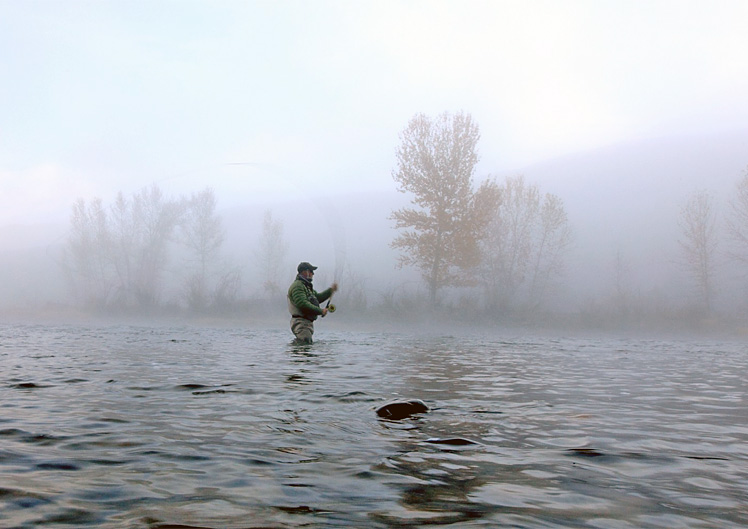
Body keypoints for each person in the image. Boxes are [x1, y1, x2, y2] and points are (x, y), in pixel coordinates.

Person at [287, 262, 338, 344]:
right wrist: (320, 311)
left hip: (306, 324)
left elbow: (317, 298)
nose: (312, 273)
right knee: (304, 347)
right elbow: (302, 304)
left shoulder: (306, 286)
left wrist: (330, 290)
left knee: (305, 347)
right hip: (300, 323)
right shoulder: (297, 286)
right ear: (304, 272)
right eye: (310, 271)